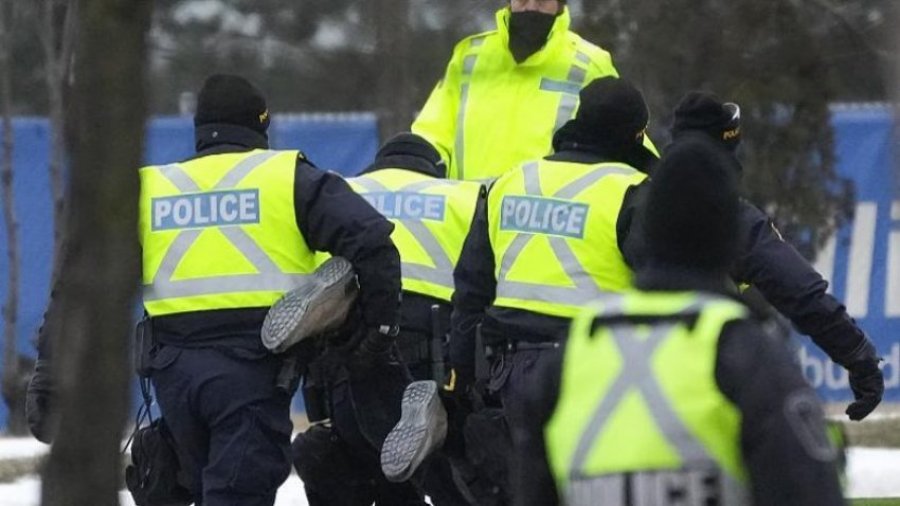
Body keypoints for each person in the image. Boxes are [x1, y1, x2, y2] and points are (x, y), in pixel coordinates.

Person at [516, 136, 846, 506]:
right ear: (727, 242)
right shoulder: (746, 354)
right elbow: (810, 490)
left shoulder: (575, 352)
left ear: (649, 231)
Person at [136, 74, 402, 506]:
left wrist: (49, 372)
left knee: (203, 488)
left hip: (172, 374)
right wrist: (377, 329)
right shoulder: (287, 176)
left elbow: (80, 278)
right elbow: (373, 242)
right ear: (260, 126)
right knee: (237, 492)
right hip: (254, 369)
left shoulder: (151, 187)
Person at [412, 0, 655, 180]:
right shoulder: (470, 57)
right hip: (468, 220)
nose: (530, 7)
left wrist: (662, 178)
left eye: (541, 0)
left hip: (542, 224)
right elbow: (431, 135)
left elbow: (625, 136)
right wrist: (406, 163)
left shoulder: (589, 64)